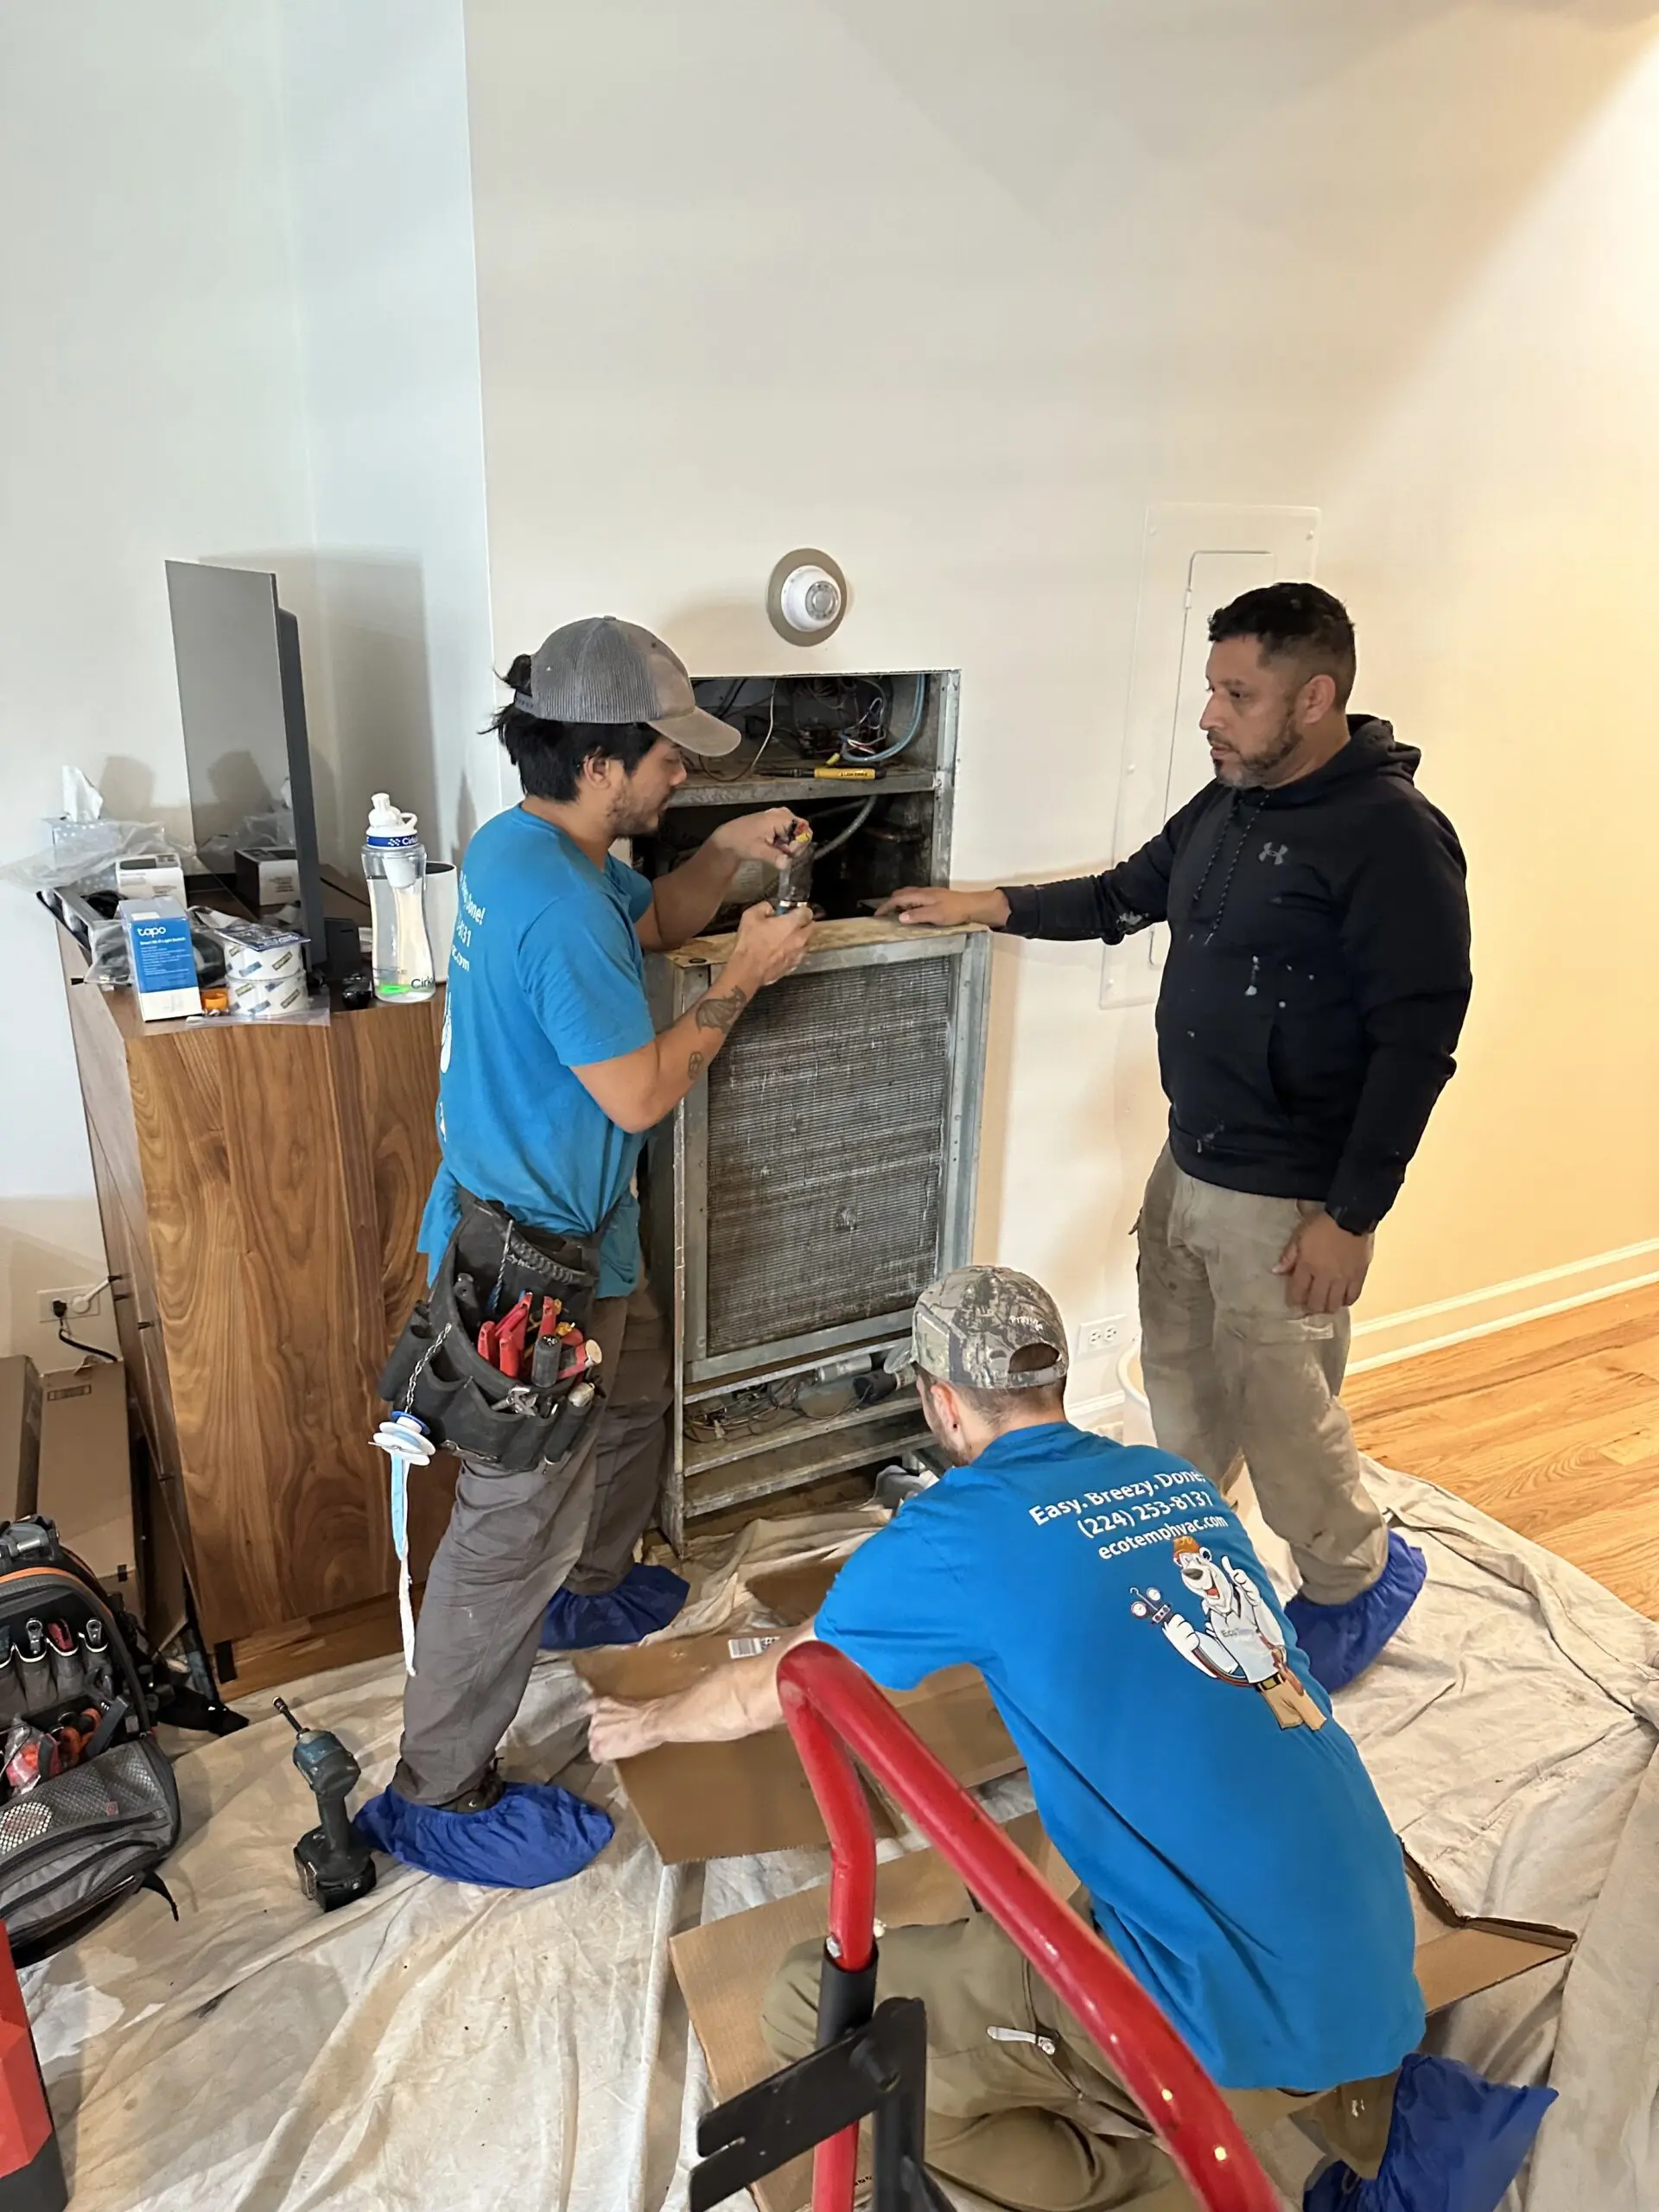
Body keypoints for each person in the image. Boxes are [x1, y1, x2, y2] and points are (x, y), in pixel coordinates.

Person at [584, 1267, 1552, 2212]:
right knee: (1071, 1881)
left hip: (1226, 2030)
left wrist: (651, 1718)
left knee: (807, 2003)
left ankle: (1154, 2178)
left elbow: (777, 1684)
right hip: (1374, 1954)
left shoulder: (953, 1535)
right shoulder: (1177, 1484)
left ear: (941, 1403)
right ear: (1056, 1382)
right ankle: (1331, 2106)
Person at [877, 585, 1472, 1691]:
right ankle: (1199, 1556)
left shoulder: (1390, 838)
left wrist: (1352, 1216)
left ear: (1318, 696)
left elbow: (1418, 1039)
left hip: (1289, 1196)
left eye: (1237, 693)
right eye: (1212, 687)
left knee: (1284, 1410)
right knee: (1183, 1384)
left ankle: (1356, 1575)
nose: (1210, 713)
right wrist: (986, 905)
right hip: (1190, 1156)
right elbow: (1120, 894)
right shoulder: (1230, 807)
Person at [357, 615, 815, 1885]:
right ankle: (437, 1788)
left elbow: (654, 925)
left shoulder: (528, 847)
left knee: (636, 1401)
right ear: (607, 760)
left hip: (578, 1232)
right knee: (508, 1529)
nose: (685, 776)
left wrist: (722, 857)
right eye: (671, 759)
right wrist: (751, 977)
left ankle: (595, 1586)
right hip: (528, 1265)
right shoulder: (552, 902)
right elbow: (640, 1093)